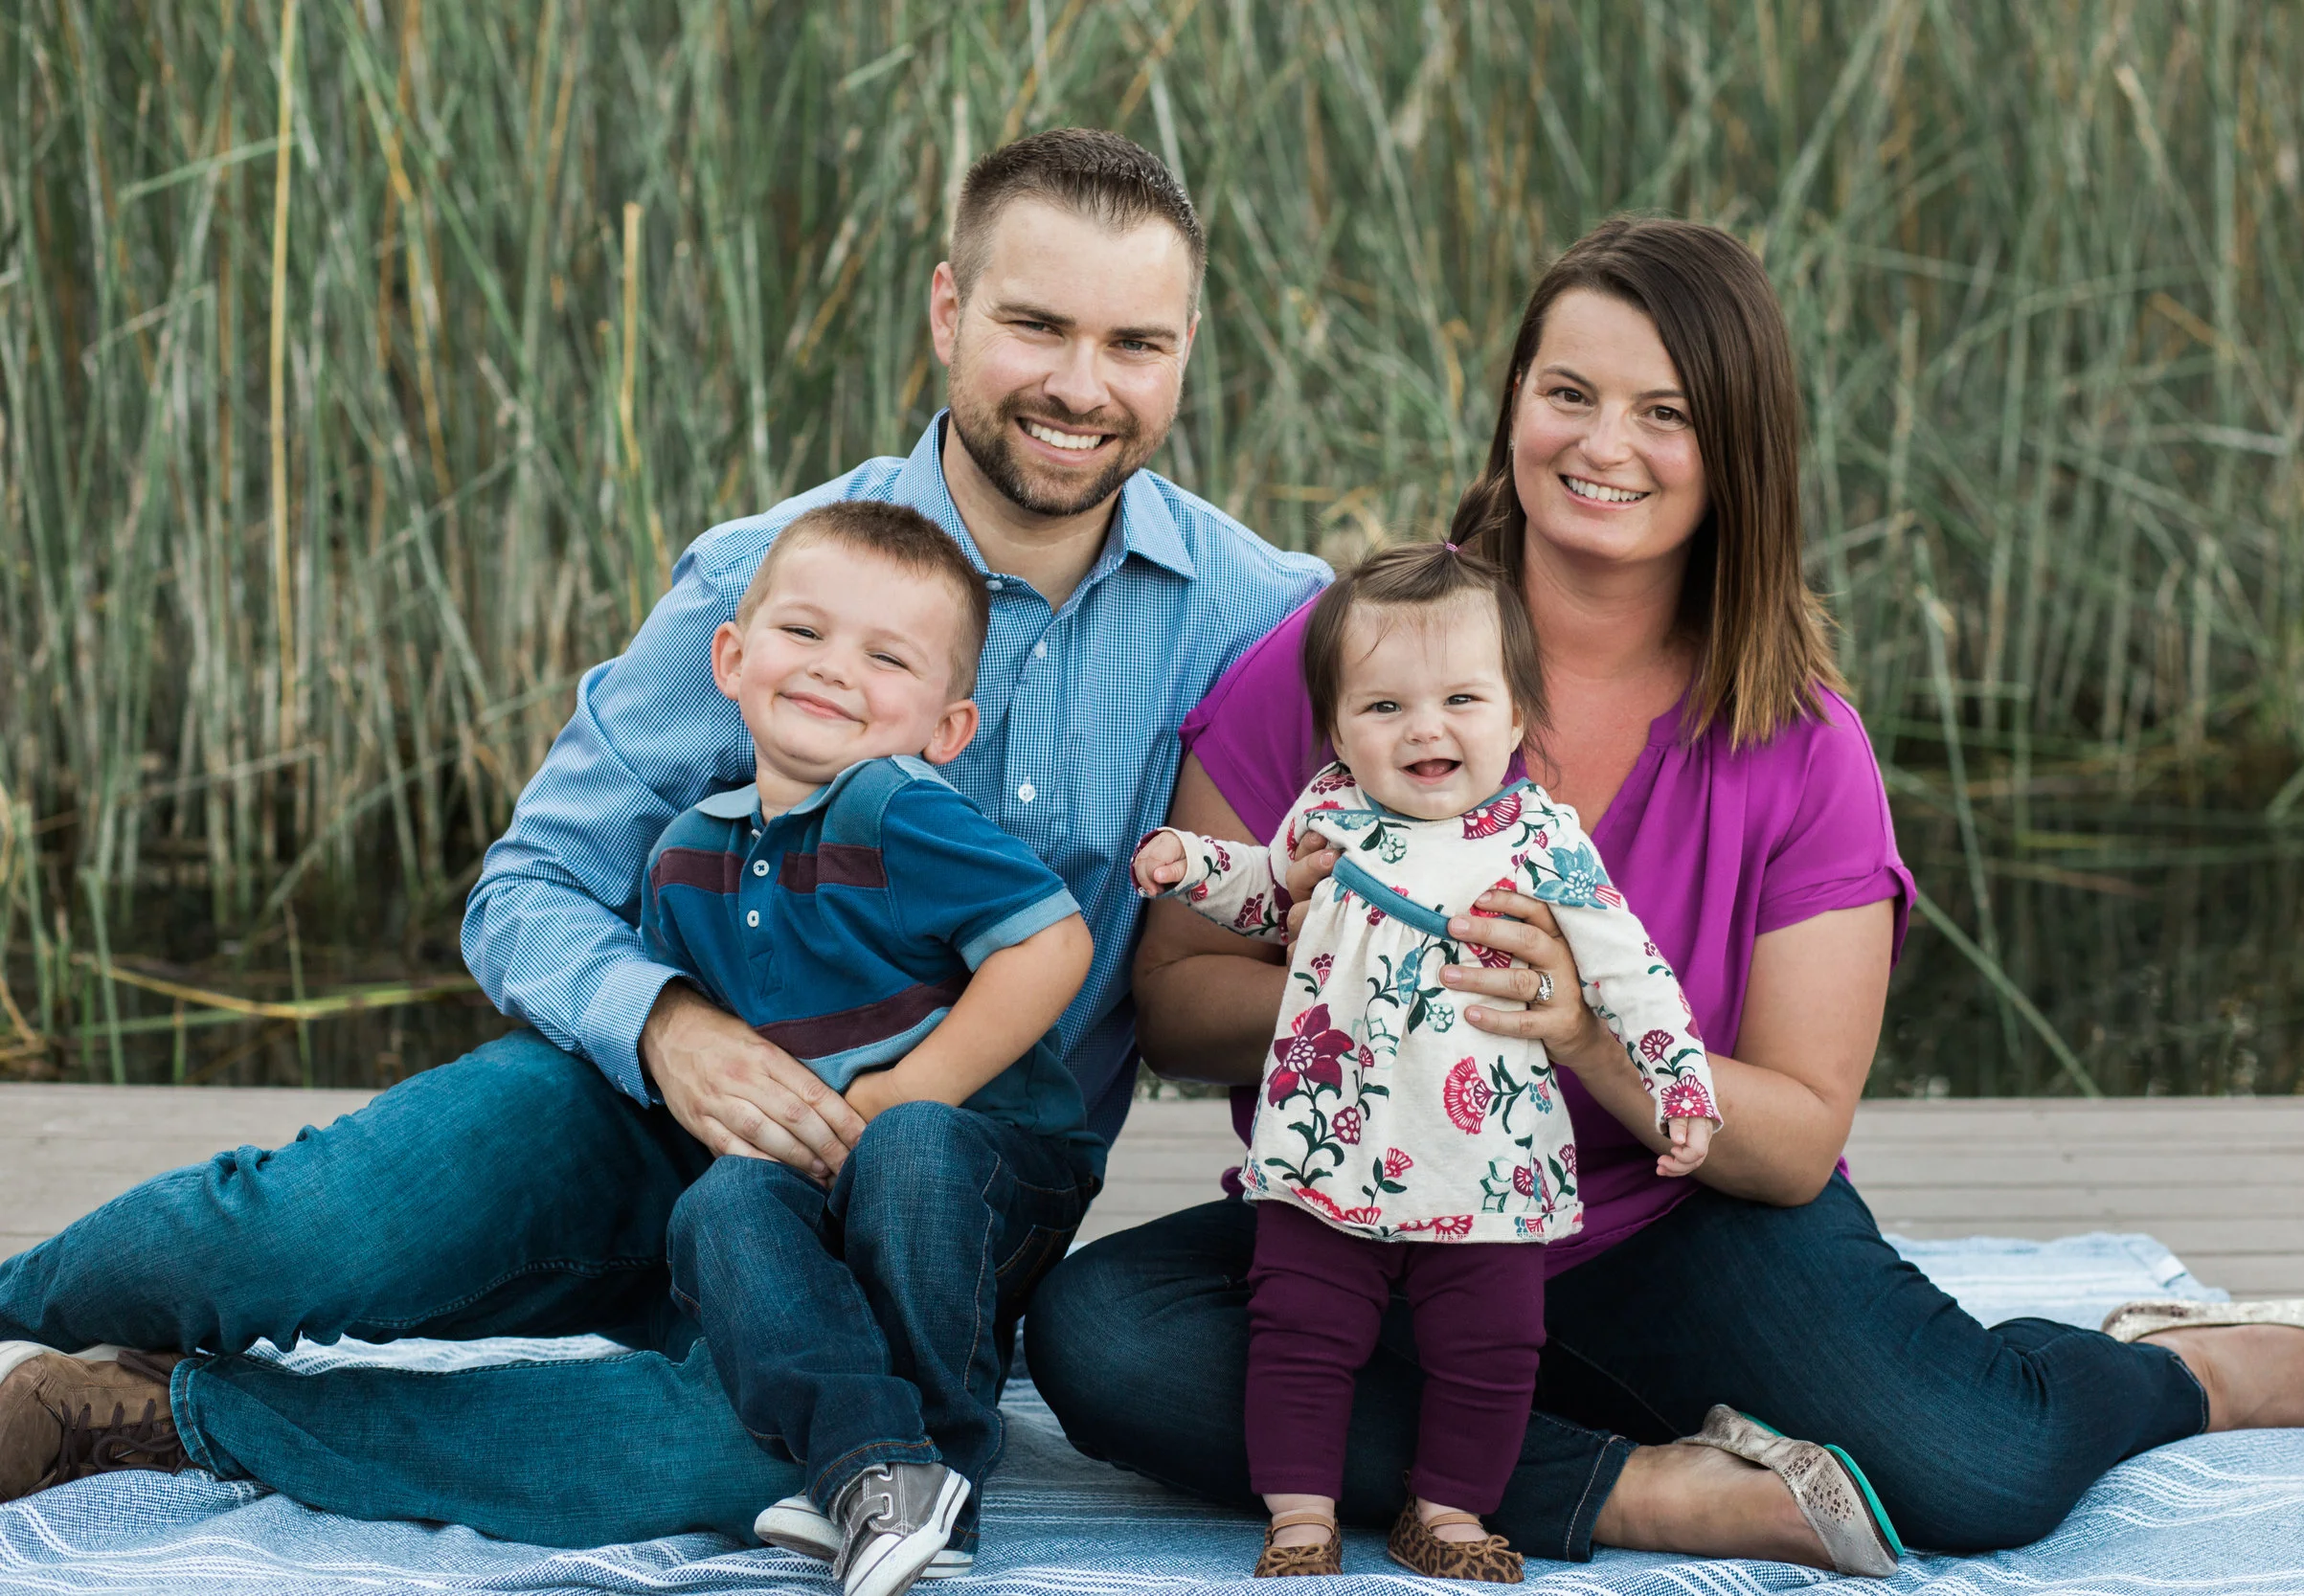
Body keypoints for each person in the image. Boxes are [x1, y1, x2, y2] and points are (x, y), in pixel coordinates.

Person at [0, 127, 1326, 1551]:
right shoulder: (768, 581)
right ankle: (23, 1298)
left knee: (754, 1450)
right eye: (1036, 325)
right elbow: (529, 885)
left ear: (1187, 350)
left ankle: (165, 1414)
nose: (1081, 384)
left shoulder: (1264, 620)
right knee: (306, 1228)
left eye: (1134, 342)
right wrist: (671, 1030)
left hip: (930, 1195)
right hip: (639, 1109)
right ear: (949, 310)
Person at [1026, 214, 2304, 1574]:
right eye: (1568, 392)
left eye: (1663, 413)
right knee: (1106, 1336)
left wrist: (1580, 1032)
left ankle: (2181, 1367)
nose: (1602, 446)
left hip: (1676, 1229)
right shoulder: (1353, 656)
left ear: (1736, 447)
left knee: (1984, 1462)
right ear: (1514, 402)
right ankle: (1636, 1486)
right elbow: (1178, 1001)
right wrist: (1362, 984)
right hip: (1376, 1211)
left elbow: (1793, 1136)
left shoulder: (1802, 744)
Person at [1129, 542, 1723, 1582]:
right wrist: (1197, 866)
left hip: (1482, 1155)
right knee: (1298, 1330)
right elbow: (1270, 894)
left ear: (1516, 715)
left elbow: (1628, 968)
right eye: (1384, 706)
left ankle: (1448, 1509)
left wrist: (1678, 1077)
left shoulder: (1540, 840)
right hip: (1331, 1141)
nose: (1425, 728)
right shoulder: (1327, 811)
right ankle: (1300, 1515)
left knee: (1492, 1347)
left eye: (1460, 699)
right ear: (1337, 729)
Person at [644, 500, 1099, 1596]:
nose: (833, 667)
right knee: (720, 1202)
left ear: (947, 726)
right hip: (833, 1178)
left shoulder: (895, 806)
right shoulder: (686, 857)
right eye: (803, 631)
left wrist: (907, 1087)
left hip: (992, 1169)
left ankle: (945, 1466)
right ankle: (872, 1464)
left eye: (886, 657)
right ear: (731, 656)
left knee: (909, 1146)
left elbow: (1052, 942)